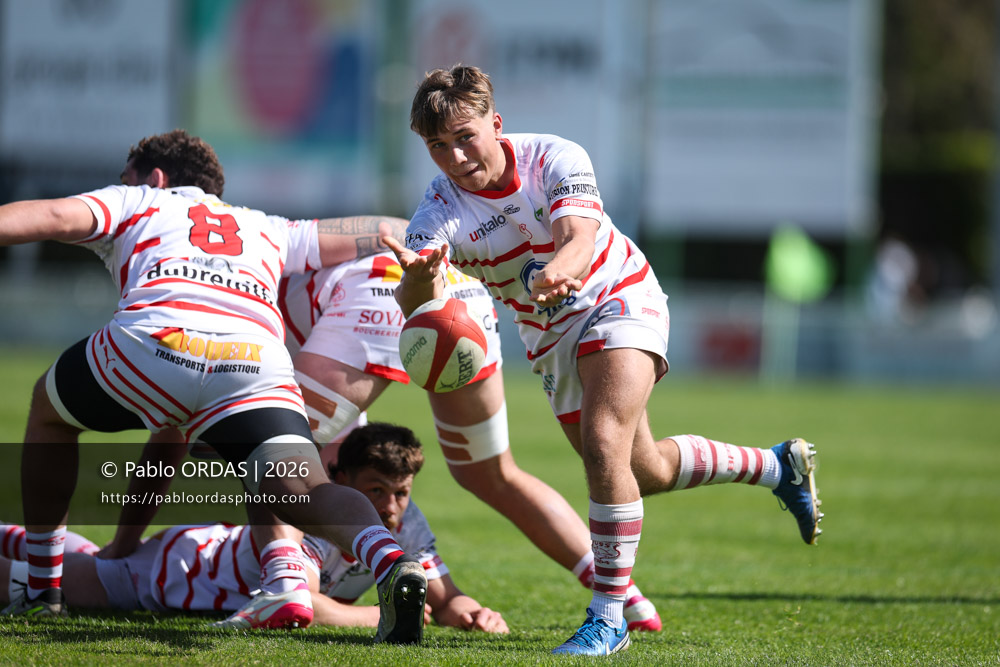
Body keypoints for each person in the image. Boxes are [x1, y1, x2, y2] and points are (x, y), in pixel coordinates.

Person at [382, 65, 824, 655]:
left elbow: (580, 239)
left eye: (466, 136)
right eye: (438, 146)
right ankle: (776, 467)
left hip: (619, 294)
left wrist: (558, 272)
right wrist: (419, 280)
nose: (456, 157)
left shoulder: (554, 157)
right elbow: (418, 299)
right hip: (548, 336)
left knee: (603, 441)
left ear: (496, 123)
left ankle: (608, 617)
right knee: (645, 470)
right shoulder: (439, 208)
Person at [0, 129, 427, 645]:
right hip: (253, 360)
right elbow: (384, 228)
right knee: (307, 490)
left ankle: (42, 589)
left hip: (158, 340)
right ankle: (392, 563)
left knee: (50, 411)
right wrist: (440, 243)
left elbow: (51, 216)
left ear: (156, 177)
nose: (122, 185)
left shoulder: (139, 200)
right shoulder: (266, 226)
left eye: (127, 178)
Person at [119, 249, 660, 632]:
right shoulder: (270, 242)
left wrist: (124, 540)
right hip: (461, 298)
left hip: (377, 294)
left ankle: (285, 587)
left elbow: (174, 431)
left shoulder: (196, 295)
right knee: (493, 472)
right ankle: (623, 593)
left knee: (271, 452)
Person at [0, 423, 509, 634]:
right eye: (375, 490)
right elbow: (304, 604)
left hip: (194, 551)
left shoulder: (406, 522)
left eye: (401, 492)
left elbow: (444, 599)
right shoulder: (317, 520)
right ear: (339, 480)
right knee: (32, 583)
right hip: (175, 572)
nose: (390, 507)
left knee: (71, 559)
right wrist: (375, 615)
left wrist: (473, 614)